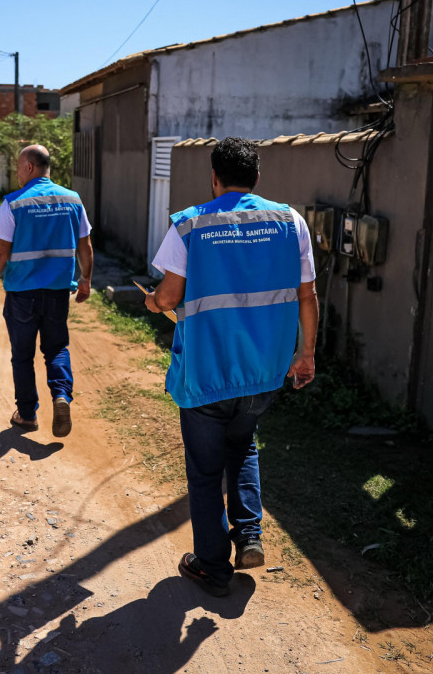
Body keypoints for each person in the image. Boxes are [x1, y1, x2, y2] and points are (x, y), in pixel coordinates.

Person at [145, 136, 317, 597]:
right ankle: (250, 536)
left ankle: (213, 569)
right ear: (257, 178)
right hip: (264, 373)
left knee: (204, 472)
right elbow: (308, 296)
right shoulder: (290, 221)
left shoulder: (189, 226)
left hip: (207, 374)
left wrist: (151, 301)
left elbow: (168, 297)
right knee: (242, 446)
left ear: (214, 178)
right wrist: (306, 354)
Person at [0, 144, 94, 438]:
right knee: (56, 348)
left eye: (18, 167)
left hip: (22, 295)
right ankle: (62, 396)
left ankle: (27, 415)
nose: (17, 173)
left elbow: (0, 251)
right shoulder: (72, 199)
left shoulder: (14, 203)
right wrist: (86, 279)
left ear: (29, 167)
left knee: (22, 355)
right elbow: (85, 245)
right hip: (56, 292)